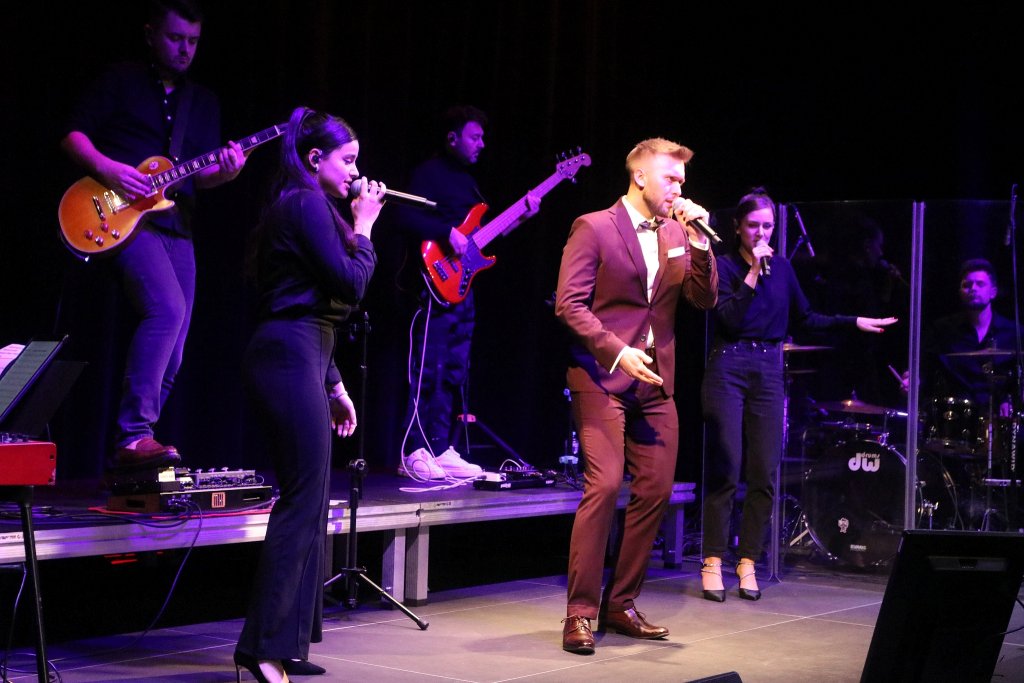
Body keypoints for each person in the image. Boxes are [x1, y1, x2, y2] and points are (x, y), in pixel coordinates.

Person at [60, 0, 247, 471]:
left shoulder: (203, 102)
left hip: (175, 222)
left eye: (193, 42)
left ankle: (132, 456)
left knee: (177, 345)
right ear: (150, 34)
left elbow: (201, 174)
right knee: (166, 309)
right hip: (118, 215)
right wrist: (110, 170)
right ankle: (134, 435)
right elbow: (72, 136)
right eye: (175, 38)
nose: (185, 49)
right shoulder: (120, 80)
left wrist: (227, 172)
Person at [232, 106, 385, 683]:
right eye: (348, 160)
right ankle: (261, 648)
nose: (356, 172)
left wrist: (334, 383)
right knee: (301, 500)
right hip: (287, 353)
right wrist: (365, 226)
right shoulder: (304, 203)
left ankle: (289, 642)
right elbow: (349, 283)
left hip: (307, 353)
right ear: (315, 158)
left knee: (314, 499)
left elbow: (314, 301)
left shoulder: (308, 205)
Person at [554, 137, 718, 654]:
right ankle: (580, 613)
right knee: (604, 486)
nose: (679, 189)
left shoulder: (677, 231)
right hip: (602, 376)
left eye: (683, 182)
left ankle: (621, 603)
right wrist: (616, 351)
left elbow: (704, 298)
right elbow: (569, 305)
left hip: (655, 381)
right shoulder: (594, 226)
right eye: (671, 178)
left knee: (657, 489)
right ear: (640, 176)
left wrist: (701, 242)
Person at [699, 188, 898, 602]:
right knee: (727, 465)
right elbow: (729, 317)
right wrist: (753, 272)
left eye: (767, 226)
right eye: (753, 225)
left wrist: (854, 321)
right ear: (737, 226)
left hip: (769, 369)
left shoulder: (785, 270)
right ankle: (713, 559)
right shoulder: (725, 266)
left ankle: (748, 561)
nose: (760, 233)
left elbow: (806, 318)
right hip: (729, 365)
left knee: (764, 469)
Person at [395, 105, 539, 479]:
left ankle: (440, 447)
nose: (482, 143)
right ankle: (412, 449)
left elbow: (480, 241)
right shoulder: (428, 173)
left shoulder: (470, 183)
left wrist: (521, 217)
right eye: (475, 136)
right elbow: (403, 215)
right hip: (432, 285)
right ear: (452, 138)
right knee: (427, 368)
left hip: (462, 289)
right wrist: (446, 232)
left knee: (453, 370)